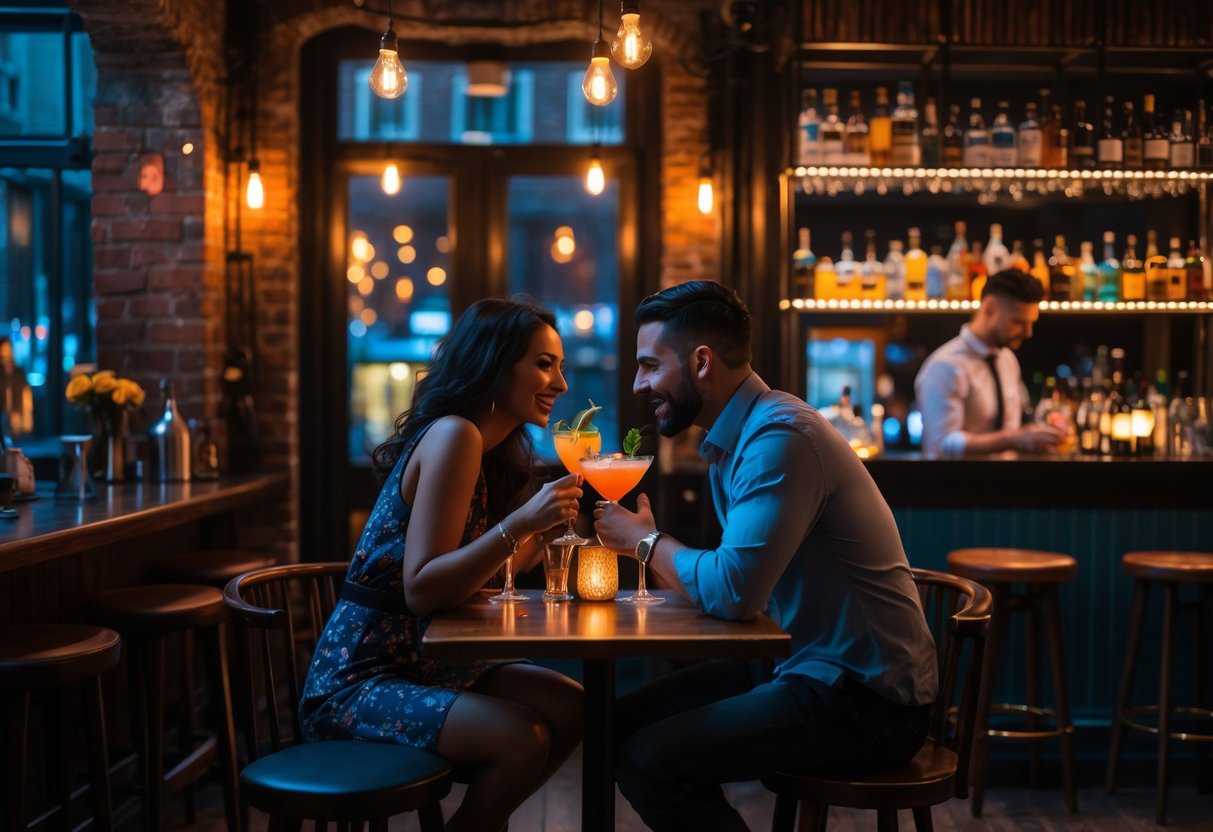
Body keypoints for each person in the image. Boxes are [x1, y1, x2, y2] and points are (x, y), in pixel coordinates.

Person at [593, 280, 938, 832]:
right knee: (612, 724)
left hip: (866, 701)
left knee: (650, 759)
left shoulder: (780, 438)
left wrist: (645, 542)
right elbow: (737, 583)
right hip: (799, 665)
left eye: (651, 366)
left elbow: (733, 593)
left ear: (701, 362)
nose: (639, 384)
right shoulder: (742, 438)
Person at [300, 297, 585, 832]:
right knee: (522, 738)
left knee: (572, 706)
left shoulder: (486, 449)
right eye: (544, 364)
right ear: (494, 364)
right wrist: (523, 522)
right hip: (360, 681)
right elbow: (423, 589)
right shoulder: (456, 434)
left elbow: (481, 575)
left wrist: (551, 530)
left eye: (560, 366)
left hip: (426, 664)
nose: (562, 384)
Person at [914, 268, 1064, 458]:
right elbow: (942, 445)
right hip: (957, 486)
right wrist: (1012, 439)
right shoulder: (945, 365)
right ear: (989, 308)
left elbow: (1020, 423)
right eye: (1018, 322)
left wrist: (1046, 432)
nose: (1028, 333)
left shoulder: (1007, 359)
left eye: (1031, 323)